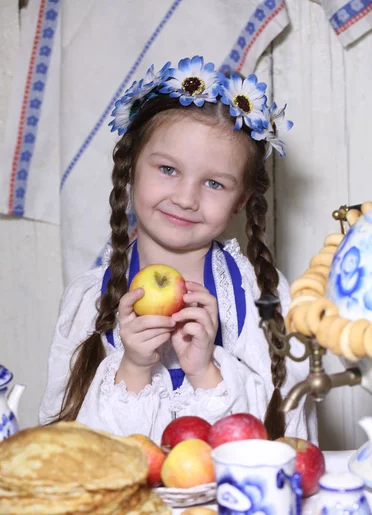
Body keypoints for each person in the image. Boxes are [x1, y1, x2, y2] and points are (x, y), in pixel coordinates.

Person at [40, 56, 317, 444]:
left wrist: (206, 372)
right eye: (168, 170)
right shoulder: (88, 303)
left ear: (241, 201)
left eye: (215, 184)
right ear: (131, 167)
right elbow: (69, 449)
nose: (186, 198)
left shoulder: (262, 300)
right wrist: (134, 367)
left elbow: (285, 439)